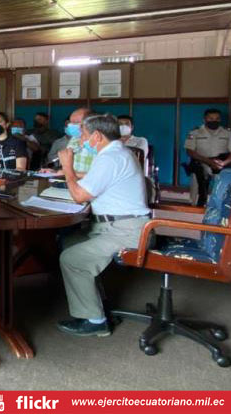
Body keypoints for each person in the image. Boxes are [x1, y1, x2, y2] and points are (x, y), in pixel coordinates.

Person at [57, 113, 150, 337]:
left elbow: (79, 196)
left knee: (72, 259)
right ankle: (97, 303)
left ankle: (96, 321)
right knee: (69, 241)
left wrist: (67, 167)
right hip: (115, 225)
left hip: (125, 230)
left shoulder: (111, 158)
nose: (81, 140)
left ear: (97, 136)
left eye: (83, 135)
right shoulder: (115, 153)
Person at [184, 109, 231, 206]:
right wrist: (209, 162)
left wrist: (223, 163)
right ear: (204, 119)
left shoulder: (227, 133)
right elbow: (190, 151)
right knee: (198, 177)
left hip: (222, 162)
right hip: (202, 161)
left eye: (217, 118)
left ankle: (229, 204)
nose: (214, 121)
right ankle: (197, 204)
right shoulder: (195, 133)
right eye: (211, 118)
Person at [61, 108, 94, 176]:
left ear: (90, 123)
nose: (70, 125)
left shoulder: (99, 143)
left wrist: (69, 173)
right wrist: (54, 172)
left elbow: (100, 176)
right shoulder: (74, 139)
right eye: (70, 122)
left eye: (75, 123)